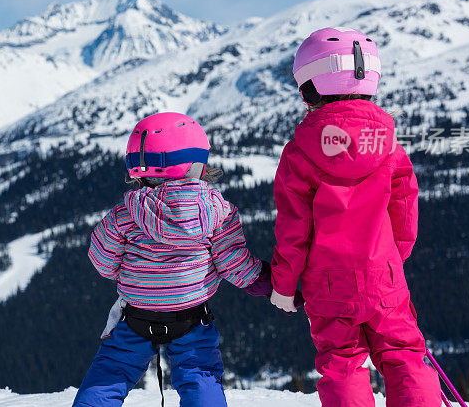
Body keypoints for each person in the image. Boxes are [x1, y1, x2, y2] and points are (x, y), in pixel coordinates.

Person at [269, 28, 442, 407]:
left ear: (308, 89)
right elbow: (405, 212)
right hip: (385, 276)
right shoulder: (389, 145)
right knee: (404, 356)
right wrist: (392, 259)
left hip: (328, 284)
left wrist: (283, 286)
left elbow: (293, 232)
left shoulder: (298, 154)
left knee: (342, 363)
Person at [73, 111, 272, 407]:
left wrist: (127, 273)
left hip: (136, 315)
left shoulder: (124, 215)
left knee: (110, 373)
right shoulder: (218, 213)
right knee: (199, 374)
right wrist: (270, 283)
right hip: (191, 317)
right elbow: (234, 264)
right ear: (196, 163)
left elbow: (102, 260)